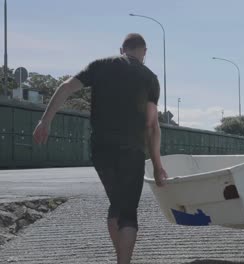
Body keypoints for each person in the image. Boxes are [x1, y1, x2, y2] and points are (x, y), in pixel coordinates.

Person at [33, 33, 168, 264]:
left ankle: (120, 260)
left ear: (121, 49)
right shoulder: (150, 78)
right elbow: (151, 124)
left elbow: (65, 87)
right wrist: (157, 165)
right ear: (144, 51)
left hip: (101, 149)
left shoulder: (101, 65)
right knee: (128, 211)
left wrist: (45, 120)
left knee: (116, 202)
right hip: (131, 150)